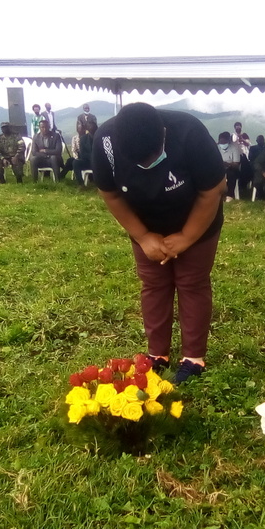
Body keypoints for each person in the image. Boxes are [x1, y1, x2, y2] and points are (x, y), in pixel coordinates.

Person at [92, 102, 226, 383]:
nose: (146, 166)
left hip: (196, 217)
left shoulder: (189, 132)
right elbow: (111, 194)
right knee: (153, 283)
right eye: (139, 163)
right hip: (146, 223)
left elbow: (211, 192)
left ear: (163, 134)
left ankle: (193, 358)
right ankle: (157, 355)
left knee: (192, 281)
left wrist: (187, 237)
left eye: (151, 158)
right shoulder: (106, 144)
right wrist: (142, 237)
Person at [217, 131, 241, 201]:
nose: (223, 144)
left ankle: (230, 194)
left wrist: (227, 164)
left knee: (231, 173)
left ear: (228, 141)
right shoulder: (217, 148)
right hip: (220, 168)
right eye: (221, 143)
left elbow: (236, 164)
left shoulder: (234, 148)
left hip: (232, 169)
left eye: (224, 143)